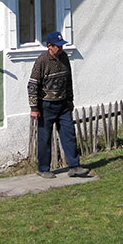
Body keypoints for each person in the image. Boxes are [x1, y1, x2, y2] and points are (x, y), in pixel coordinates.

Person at [28, 31, 89, 179]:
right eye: (58, 46)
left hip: (63, 105)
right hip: (46, 105)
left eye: (62, 46)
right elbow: (32, 85)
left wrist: (70, 100)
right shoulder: (41, 61)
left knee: (69, 134)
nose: (61, 49)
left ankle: (74, 166)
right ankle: (43, 169)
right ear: (49, 46)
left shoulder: (64, 58)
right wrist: (34, 108)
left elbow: (68, 80)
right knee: (45, 138)